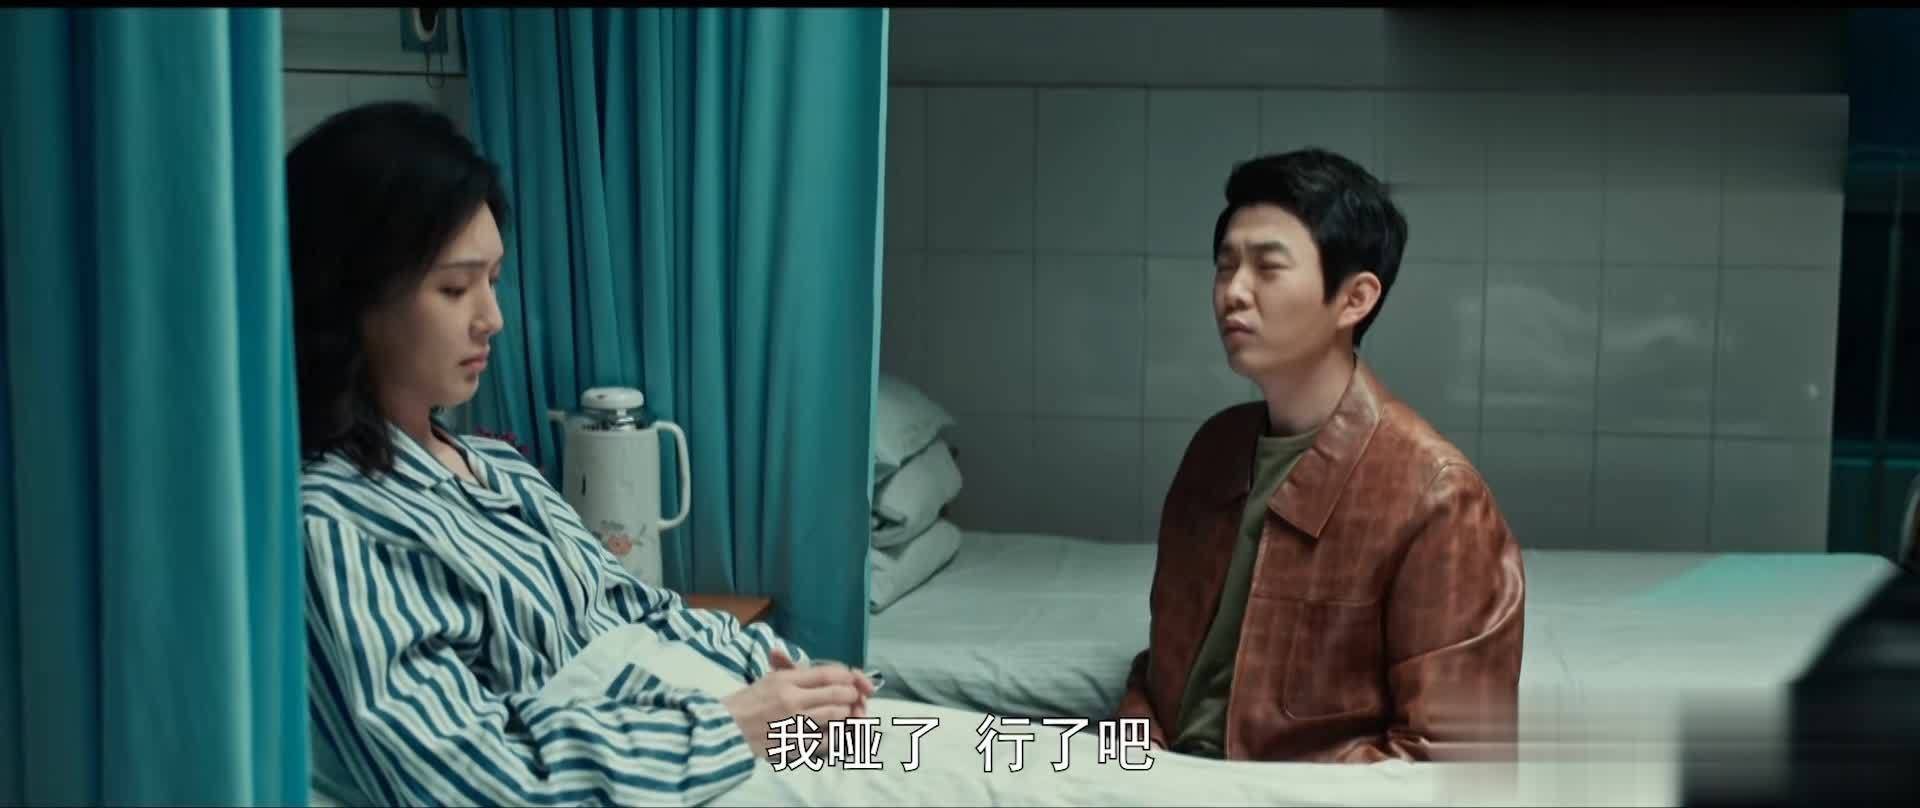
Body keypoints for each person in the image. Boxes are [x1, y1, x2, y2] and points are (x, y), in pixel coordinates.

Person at [287, 101, 879, 806]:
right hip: (675, 761)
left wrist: (796, 681)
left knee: (976, 752)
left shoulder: (499, 469)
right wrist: (734, 725)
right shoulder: (338, 524)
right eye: (454, 288)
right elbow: (477, 781)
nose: (492, 319)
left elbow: (640, 609)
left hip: (718, 719)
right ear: (351, 295)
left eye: (493, 281)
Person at [1113, 149, 1526, 763]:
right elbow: (1157, 678)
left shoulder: (1437, 496)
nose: (1233, 292)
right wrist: (1128, 763)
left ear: (1355, 298)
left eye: (1268, 267)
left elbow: (1450, 764)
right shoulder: (1214, 450)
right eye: (1225, 266)